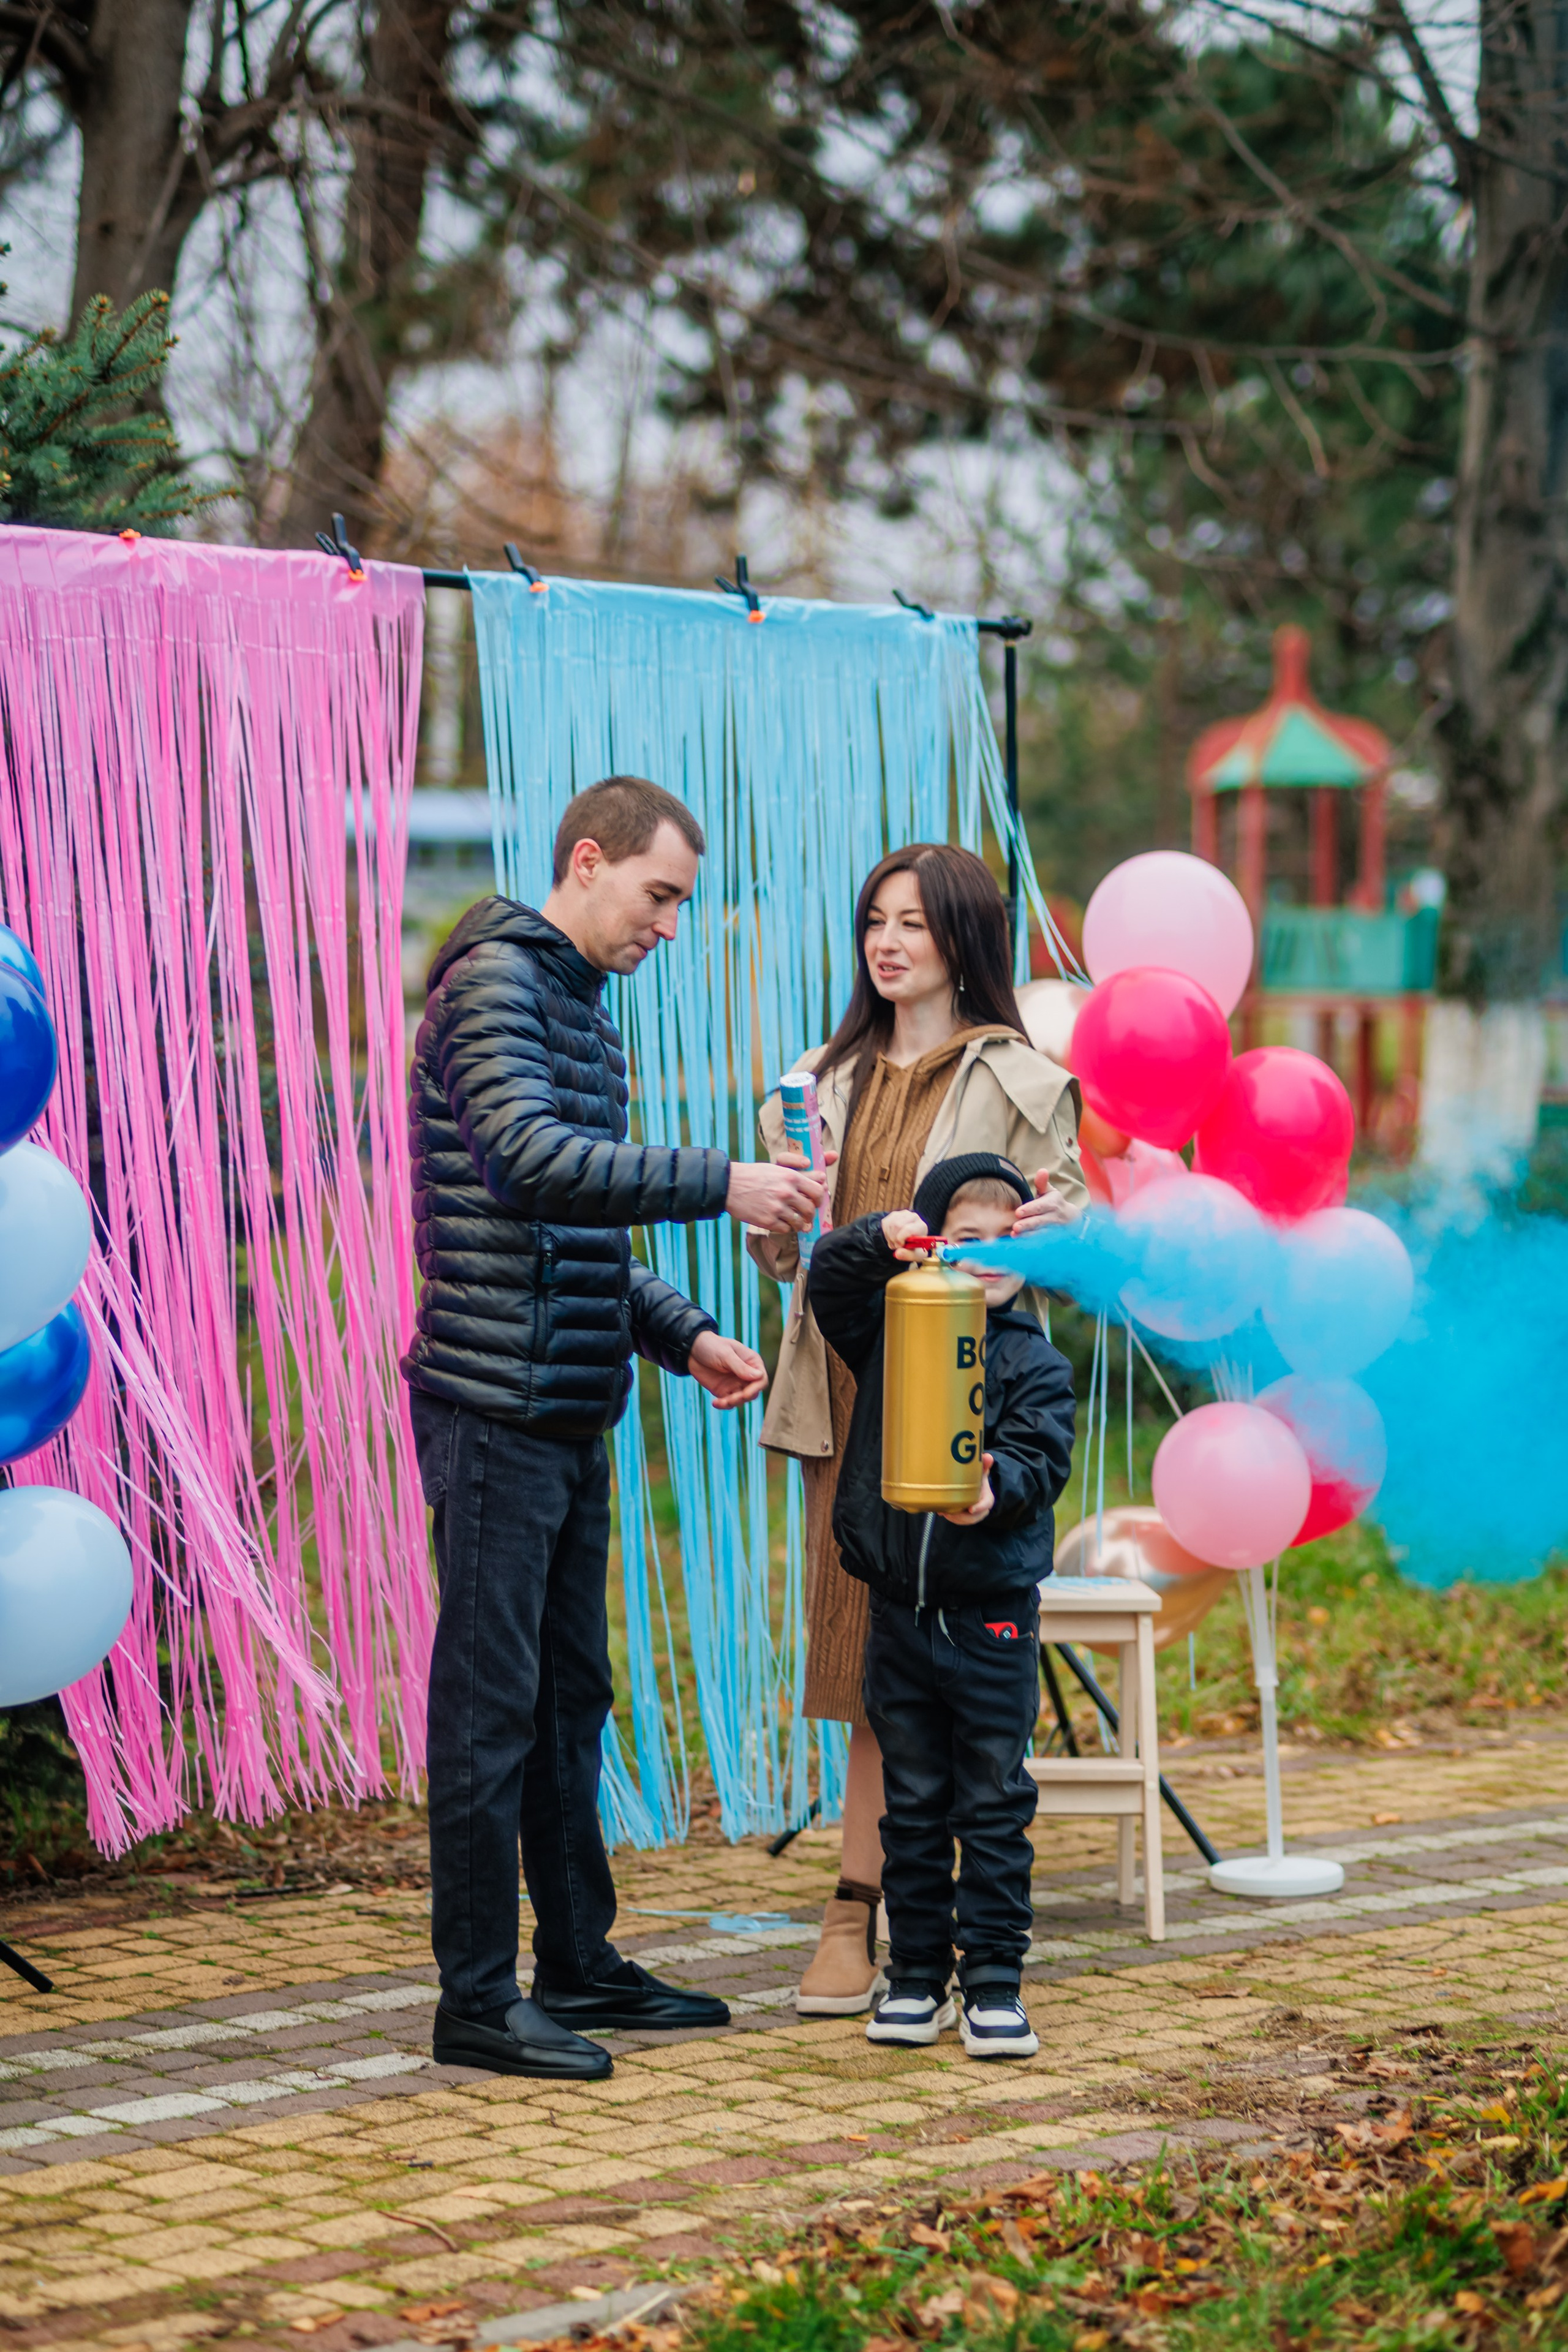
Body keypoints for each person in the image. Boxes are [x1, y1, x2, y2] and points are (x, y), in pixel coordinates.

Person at [404, 774, 826, 2084]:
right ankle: (475, 2000)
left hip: (570, 1400)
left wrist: (680, 1329)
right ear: (587, 861)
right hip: (492, 1407)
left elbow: (575, 1223)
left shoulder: (581, 1013)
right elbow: (526, 1162)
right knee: (488, 1717)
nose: (669, 927)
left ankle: (575, 1961)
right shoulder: (490, 988)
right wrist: (725, 1179)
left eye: (682, 904)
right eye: (658, 896)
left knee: (569, 1702)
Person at [746, 844, 1085, 2016]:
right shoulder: (818, 1080)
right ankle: (870, 1911)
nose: (888, 944)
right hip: (845, 1389)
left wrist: (1056, 1227)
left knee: (920, 1660)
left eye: (916, 925)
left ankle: (888, 1920)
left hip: (955, 1405)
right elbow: (785, 1254)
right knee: (862, 1656)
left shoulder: (1022, 1080)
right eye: (874, 921)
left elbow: (1065, 1228)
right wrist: (783, 1210)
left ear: (965, 941)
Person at [804, 1155, 1076, 2057]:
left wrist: (996, 1493)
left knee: (992, 1801)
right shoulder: (891, 1330)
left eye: (1007, 1238)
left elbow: (1041, 1460)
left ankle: (994, 1984)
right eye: (964, 1234)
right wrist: (873, 1235)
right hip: (899, 1616)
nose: (986, 1254)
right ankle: (915, 1977)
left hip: (991, 1622)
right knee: (912, 1805)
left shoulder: (1036, 1361)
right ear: (931, 1245)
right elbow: (830, 1279)